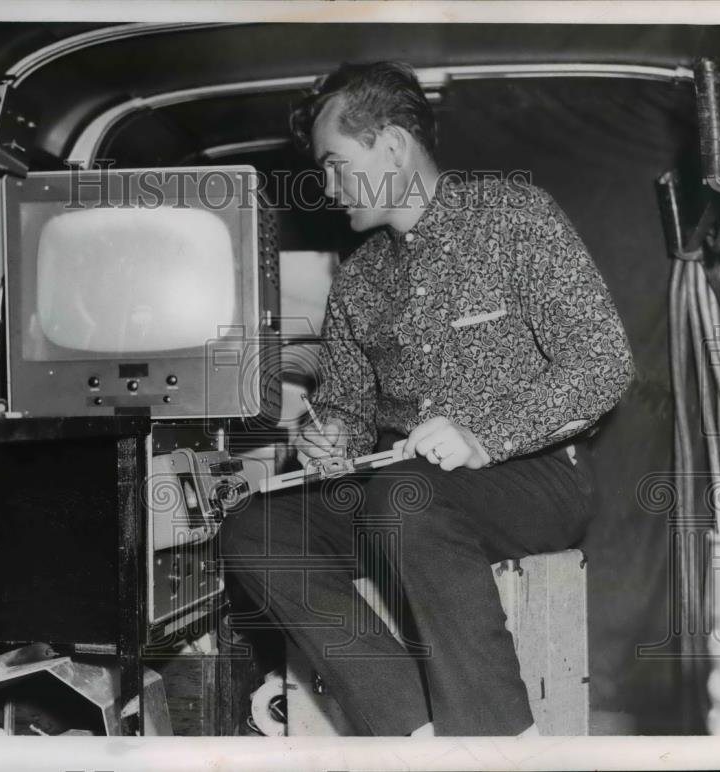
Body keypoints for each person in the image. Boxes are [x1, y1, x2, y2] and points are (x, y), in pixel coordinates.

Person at [220, 61, 634, 737]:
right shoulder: (357, 281)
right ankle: (414, 732)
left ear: (391, 145)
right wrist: (332, 438)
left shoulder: (513, 217)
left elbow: (603, 363)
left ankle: (500, 741)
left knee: (407, 496)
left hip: (534, 477)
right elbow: (348, 406)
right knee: (255, 529)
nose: (326, 188)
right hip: (404, 494)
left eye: (334, 164)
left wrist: (484, 434)